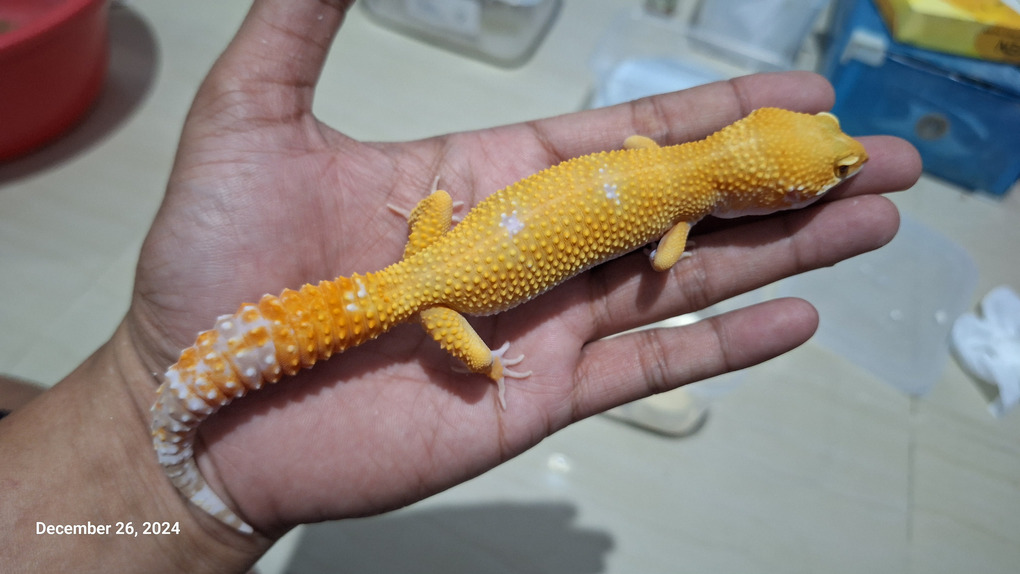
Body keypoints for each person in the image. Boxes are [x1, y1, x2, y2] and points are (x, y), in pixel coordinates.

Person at [0, 0, 921, 571]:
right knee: (469, 344)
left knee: (411, 267)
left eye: (832, 163)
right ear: (773, 193)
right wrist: (484, 366)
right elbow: (664, 267)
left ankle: (173, 422)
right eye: (831, 171)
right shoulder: (683, 209)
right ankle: (183, 419)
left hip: (435, 250)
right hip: (438, 299)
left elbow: (642, 157)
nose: (841, 162)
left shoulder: (661, 154)